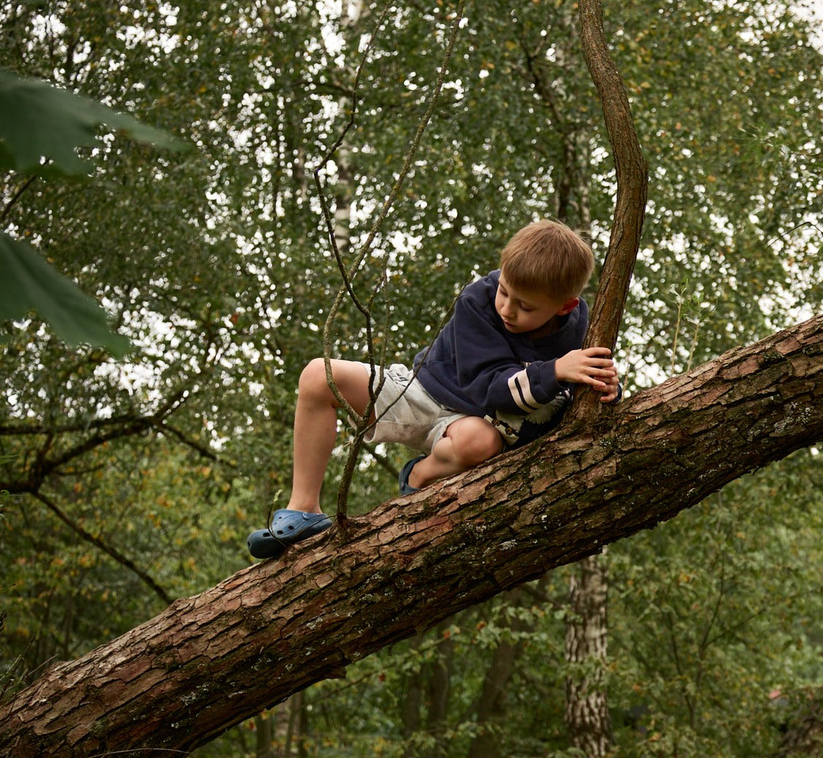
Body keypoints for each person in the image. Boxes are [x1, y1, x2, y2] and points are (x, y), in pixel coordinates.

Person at [246, 220, 623, 558]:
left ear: (565, 307)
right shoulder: (477, 300)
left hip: (476, 426)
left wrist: (606, 387)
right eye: (504, 292)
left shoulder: (579, 325)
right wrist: (555, 370)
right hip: (424, 392)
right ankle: (303, 508)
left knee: (479, 442)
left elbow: (579, 387)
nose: (507, 309)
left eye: (525, 307)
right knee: (318, 375)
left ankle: (419, 476)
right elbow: (490, 387)